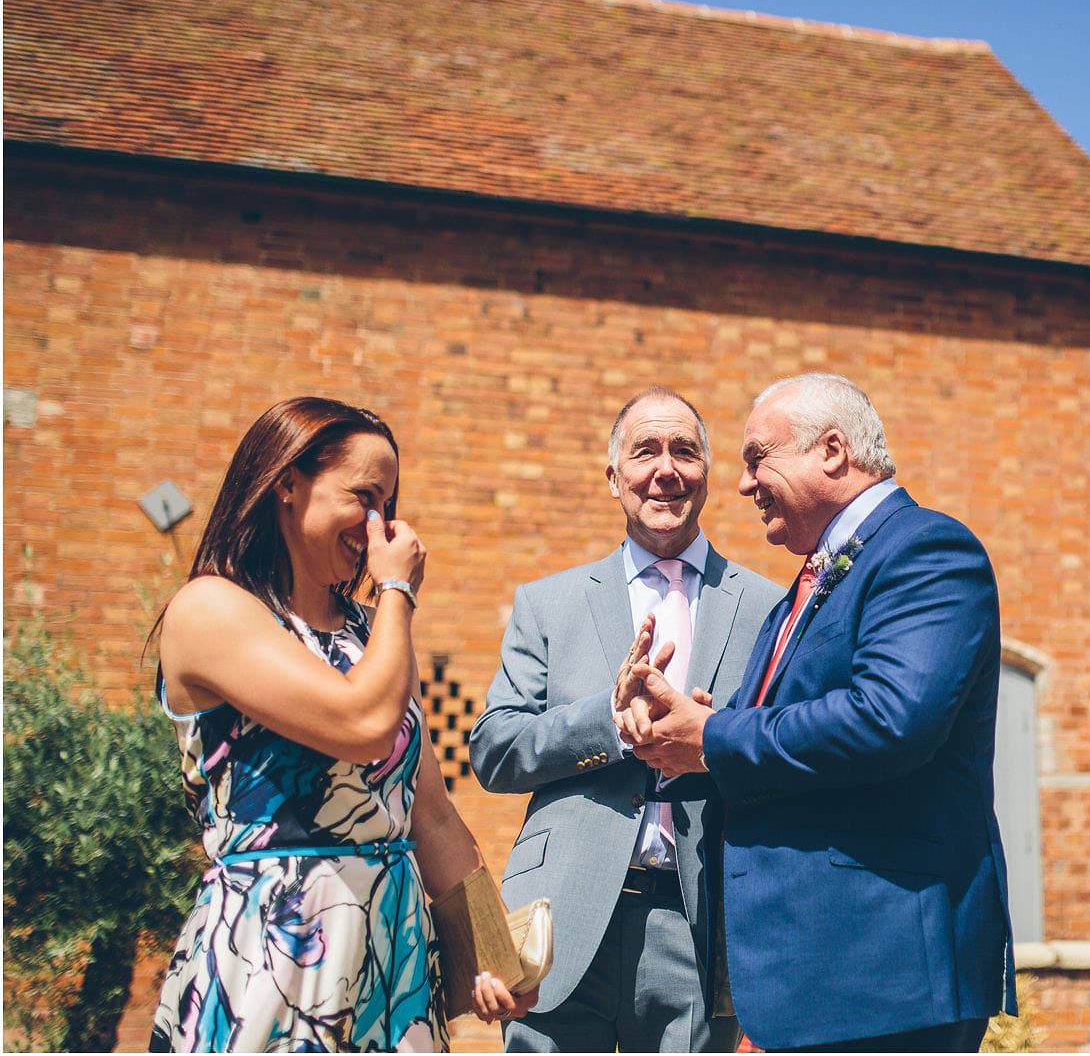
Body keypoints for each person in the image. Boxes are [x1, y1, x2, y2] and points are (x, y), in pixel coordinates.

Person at [621, 373, 1016, 1052]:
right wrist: (672, 728)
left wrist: (714, 735)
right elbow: (760, 735)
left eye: (757, 458)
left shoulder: (926, 551)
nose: (743, 485)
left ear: (832, 451)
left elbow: (888, 719)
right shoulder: (798, 591)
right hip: (811, 978)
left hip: (885, 973)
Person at [149, 396, 530, 1053]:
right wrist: (398, 593)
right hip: (277, 951)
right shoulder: (210, 608)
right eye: (364, 496)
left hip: (391, 953)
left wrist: (497, 955)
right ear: (287, 486)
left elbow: (430, 814)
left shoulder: (369, 632)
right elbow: (363, 725)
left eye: (390, 503)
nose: (380, 524)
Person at [469, 388, 783, 1052]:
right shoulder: (548, 604)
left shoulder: (769, 609)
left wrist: (713, 737)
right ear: (614, 476)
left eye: (684, 451)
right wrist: (608, 723)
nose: (665, 469)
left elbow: (788, 757)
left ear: (706, 474)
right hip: (560, 919)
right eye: (645, 450)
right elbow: (494, 750)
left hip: (699, 920)